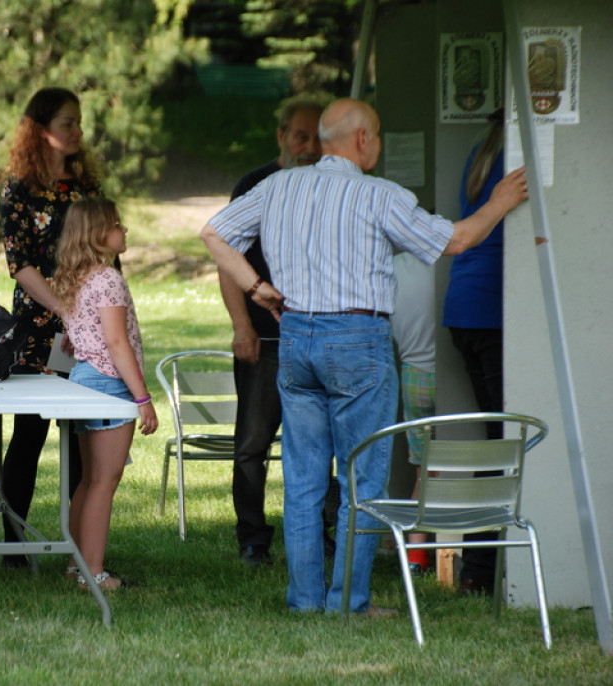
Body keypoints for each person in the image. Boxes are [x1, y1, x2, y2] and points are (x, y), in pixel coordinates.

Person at [200, 98, 528, 614]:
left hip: (297, 337)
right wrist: (501, 200)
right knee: (365, 478)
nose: (376, 142)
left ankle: (305, 600)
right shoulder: (380, 195)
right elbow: (458, 240)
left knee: (304, 475)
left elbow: (213, 233)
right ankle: (349, 601)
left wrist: (256, 286)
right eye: (375, 133)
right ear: (360, 140)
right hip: (357, 337)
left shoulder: (277, 186)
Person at [0, 87, 103, 567]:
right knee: (30, 436)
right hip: (42, 330)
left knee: (84, 438)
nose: (77, 130)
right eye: (67, 122)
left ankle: (79, 546)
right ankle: (14, 545)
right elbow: (19, 263)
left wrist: (100, 314)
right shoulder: (19, 188)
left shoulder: (87, 188)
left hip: (90, 331)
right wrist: (66, 309)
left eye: (78, 122)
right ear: (41, 130)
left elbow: (108, 256)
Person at [219, 98, 322, 566]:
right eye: (301, 135)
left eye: (318, 136)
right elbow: (225, 257)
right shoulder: (254, 185)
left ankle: (322, 533)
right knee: (252, 445)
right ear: (281, 136)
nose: (310, 146)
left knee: (321, 443)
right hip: (264, 339)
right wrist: (243, 326)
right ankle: (253, 539)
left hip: (318, 334)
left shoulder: (329, 184)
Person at [53, 197, 157, 590]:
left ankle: (75, 562)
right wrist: (142, 399)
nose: (124, 230)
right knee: (103, 481)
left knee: (88, 479)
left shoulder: (77, 277)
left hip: (83, 378)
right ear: (99, 234)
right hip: (107, 384)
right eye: (117, 224)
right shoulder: (108, 279)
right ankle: (92, 573)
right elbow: (116, 342)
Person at [442, 110, 506, 595]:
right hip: (493, 310)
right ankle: (482, 570)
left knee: (494, 438)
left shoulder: (482, 154)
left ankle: (477, 568)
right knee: (504, 443)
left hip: (465, 307)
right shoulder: (514, 158)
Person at [391, 251, 437, 576]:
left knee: (424, 470)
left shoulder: (390, 267)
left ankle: (416, 556)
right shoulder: (447, 262)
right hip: (453, 372)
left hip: (413, 373)